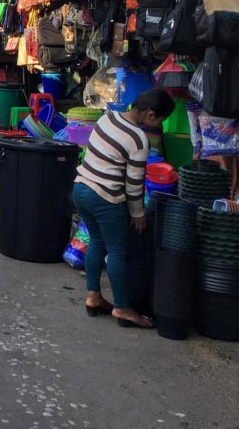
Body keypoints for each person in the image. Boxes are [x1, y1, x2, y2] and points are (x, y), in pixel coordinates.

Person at [73, 88, 174, 330]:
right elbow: (134, 182)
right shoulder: (139, 139)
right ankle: (122, 307)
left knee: (97, 242)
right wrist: (138, 214)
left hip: (81, 189)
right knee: (118, 250)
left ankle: (93, 296)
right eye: (160, 120)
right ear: (150, 115)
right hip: (105, 197)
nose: (159, 125)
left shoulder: (107, 117)